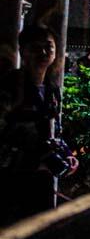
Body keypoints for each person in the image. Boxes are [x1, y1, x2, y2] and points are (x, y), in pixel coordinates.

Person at [0, 26, 79, 225]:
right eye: (36, 48)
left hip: (42, 180)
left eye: (49, 47)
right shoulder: (10, 86)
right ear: (23, 51)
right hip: (13, 179)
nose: (43, 53)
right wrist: (32, 162)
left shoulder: (52, 90)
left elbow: (54, 128)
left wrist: (67, 154)